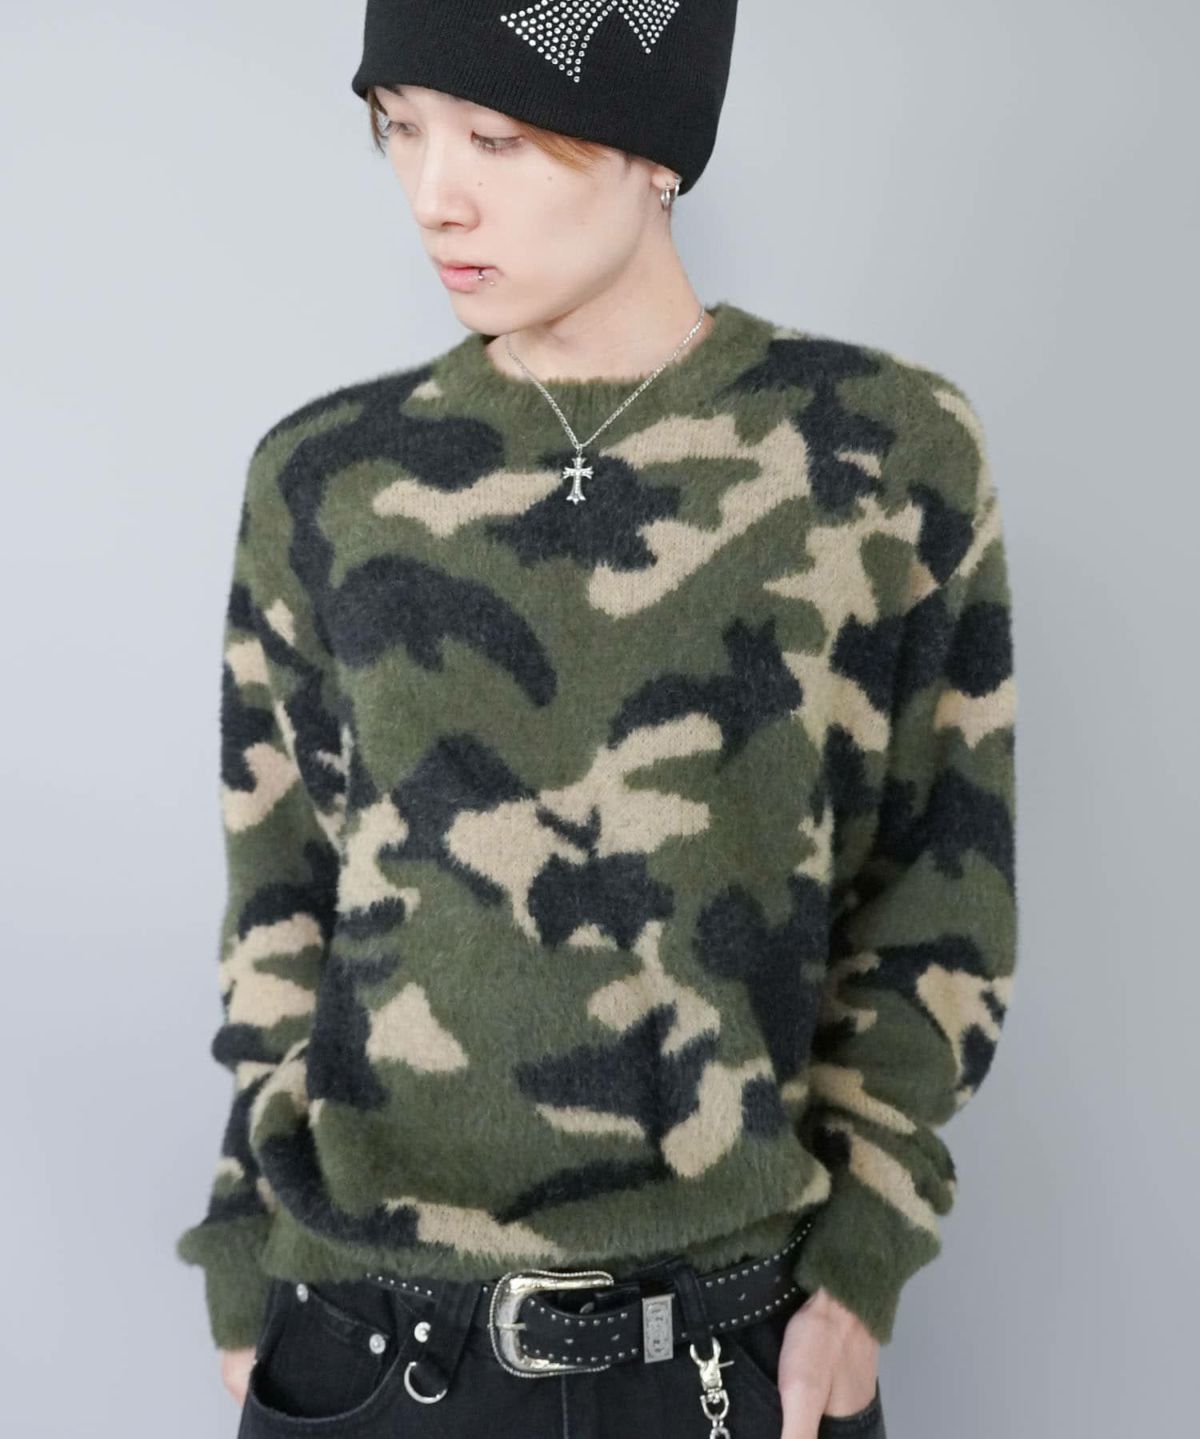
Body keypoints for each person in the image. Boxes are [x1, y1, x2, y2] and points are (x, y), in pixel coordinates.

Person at [175, 3, 1019, 1437]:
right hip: (368, 1348)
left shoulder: (881, 456)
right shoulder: (324, 479)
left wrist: (861, 1271)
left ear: (656, 148)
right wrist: (245, 1254)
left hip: (727, 1357)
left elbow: (940, 891)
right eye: (400, 129)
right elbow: (282, 897)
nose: (434, 193)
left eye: (495, 138)